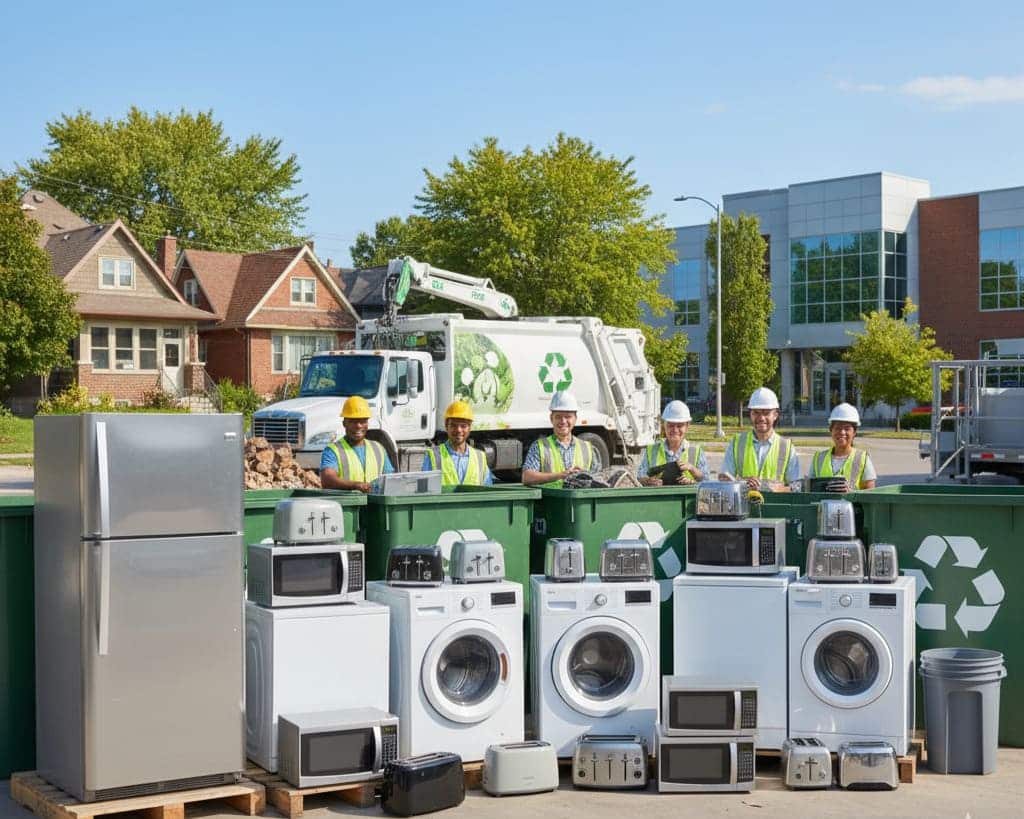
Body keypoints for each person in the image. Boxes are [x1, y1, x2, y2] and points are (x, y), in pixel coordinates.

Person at [720, 387, 800, 492]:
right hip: (744, 506)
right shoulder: (737, 443)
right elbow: (724, 479)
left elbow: (796, 487)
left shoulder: (786, 447)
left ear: (775, 415)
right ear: (750, 414)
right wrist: (744, 484)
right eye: (756, 412)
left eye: (766, 413)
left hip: (775, 506)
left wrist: (778, 489)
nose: (761, 418)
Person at [521, 390, 601, 486]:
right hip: (550, 500)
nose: (563, 421)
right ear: (551, 418)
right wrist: (560, 475)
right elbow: (527, 477)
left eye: (568, 416)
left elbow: (599, 480)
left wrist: (584, 476)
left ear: (575, 418)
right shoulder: (539, 447)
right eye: (558, 417)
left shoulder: (588, 449)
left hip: (580, 501)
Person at [319, 395, 394, 492]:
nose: (358, 426)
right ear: (344, 423)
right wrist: (355, 485)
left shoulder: (378, 448)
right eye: (353, 421)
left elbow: (390, 479)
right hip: (348, 505)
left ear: (367, 423)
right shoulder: (333, 451)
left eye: (363, 421)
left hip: (375, 505)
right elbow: (327, 480)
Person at [422, 400, 494, 486]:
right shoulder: (433, 456)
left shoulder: (480, 458)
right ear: (446, 426)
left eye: (463, 426)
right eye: (453, 425)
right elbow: (424, 490)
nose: (458, 430)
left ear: (470, 428)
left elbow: (486, 491)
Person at [808, 402, 877, 491]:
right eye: (837, 428)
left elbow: (870, 496)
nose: (842, 432)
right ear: (831, 430)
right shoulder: (818, 458)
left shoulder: (862, 458)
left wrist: (851, 493)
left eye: (847, 428)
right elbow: (809, 490)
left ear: (854, 432)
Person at [637, 400, 707, 486]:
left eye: (679, 425)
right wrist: (648, 481)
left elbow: (706, 481)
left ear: (687, 426)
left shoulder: (695, 451)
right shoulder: (652, 450)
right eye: (670, 425)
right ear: (664, 425)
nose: (675, 430)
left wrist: (692, 475)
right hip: (659, 497)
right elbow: (640, 477)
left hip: (686, 498)